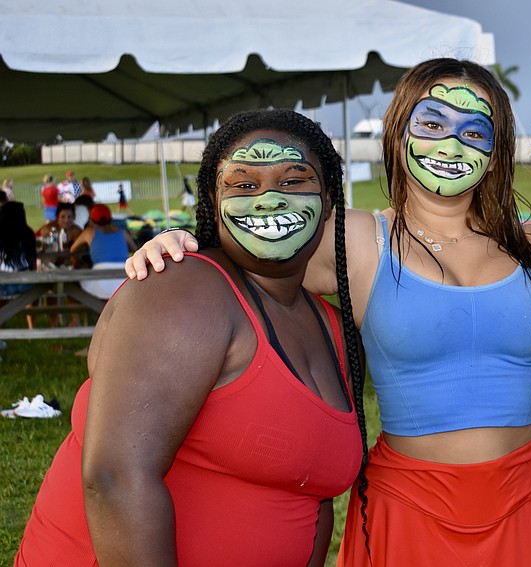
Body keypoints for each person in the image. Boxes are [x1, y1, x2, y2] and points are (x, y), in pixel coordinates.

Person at [125, 59, 531, 566]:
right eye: (432, 124)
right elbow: (252, 233)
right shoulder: (354, 239)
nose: (451, 144)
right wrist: (180, 241)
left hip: (523, 499)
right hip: (410, 505)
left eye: (474, 130)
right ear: (398, 131)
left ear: (495, 152)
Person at [15, 108, 367, 566]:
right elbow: (116, 477)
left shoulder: (335, 329)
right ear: (211, 202)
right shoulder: (183, 288)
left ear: (328, 203)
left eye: (294, 180)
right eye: (243, 185)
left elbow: (311, 497)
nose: (268, 200)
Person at [69, 204, 138, 267]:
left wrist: (78, 262)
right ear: (110, 218)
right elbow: (135, 250)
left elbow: (73, 250)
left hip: (100, 271)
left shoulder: (89, 232)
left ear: (92, 220)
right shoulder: (122, 232)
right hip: (123, 270)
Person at [0, 201, 37, 298]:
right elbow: (33, 262)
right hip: (24, 283)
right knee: (44, 285)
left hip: (2, 282)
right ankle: (31, 313)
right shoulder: (28, 233)